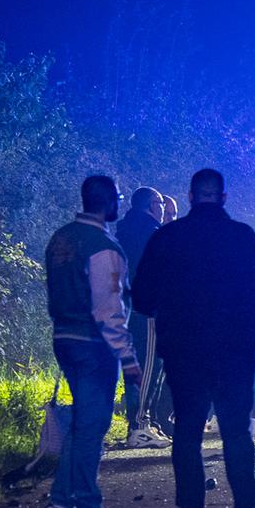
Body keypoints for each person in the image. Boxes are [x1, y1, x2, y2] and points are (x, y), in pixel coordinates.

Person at [132, 168, 255, 508]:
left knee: (187, 432)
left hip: (184, 352)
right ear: (223, 197)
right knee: (237, 433)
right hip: (234, 351)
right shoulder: (242, 237)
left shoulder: (168, 237)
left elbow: (141, 297)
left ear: (190, 197)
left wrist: (169, 312)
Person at [42, 175, 144, 508]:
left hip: (64, 336)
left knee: (83, 422)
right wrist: (128, 356)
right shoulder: (102, 246)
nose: (119, 202)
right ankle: (86, 507)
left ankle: (60, 501)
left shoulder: (61, 239)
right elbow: (107, 308)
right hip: (93, 344)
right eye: (118, 197)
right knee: (93, 424)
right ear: (108, 202)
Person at [114, 186, 169, 449]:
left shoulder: (125, 229)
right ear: (149, 204)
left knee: (140, 366)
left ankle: (147, 422)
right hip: (148, 309)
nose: (162, 208)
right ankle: (139, 425)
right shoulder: (149, 232)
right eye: (159, 203)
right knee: (149, 367)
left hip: (131, 306)